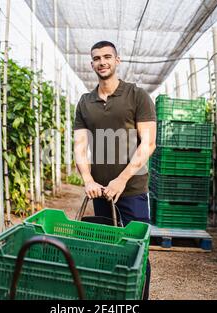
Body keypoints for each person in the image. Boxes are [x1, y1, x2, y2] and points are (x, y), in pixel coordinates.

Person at [73, 40, 156, 299]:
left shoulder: (136, 96)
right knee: (104, 250)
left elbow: (149, 143)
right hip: (100, 192)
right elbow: (80, 146)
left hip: (132, 189)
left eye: (107, 56)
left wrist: (121, 179)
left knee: (136, 251)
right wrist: (88, 179)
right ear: (92, 64)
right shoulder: (85, 102)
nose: (102, 62)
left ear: (117, 60)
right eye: (97, 58)